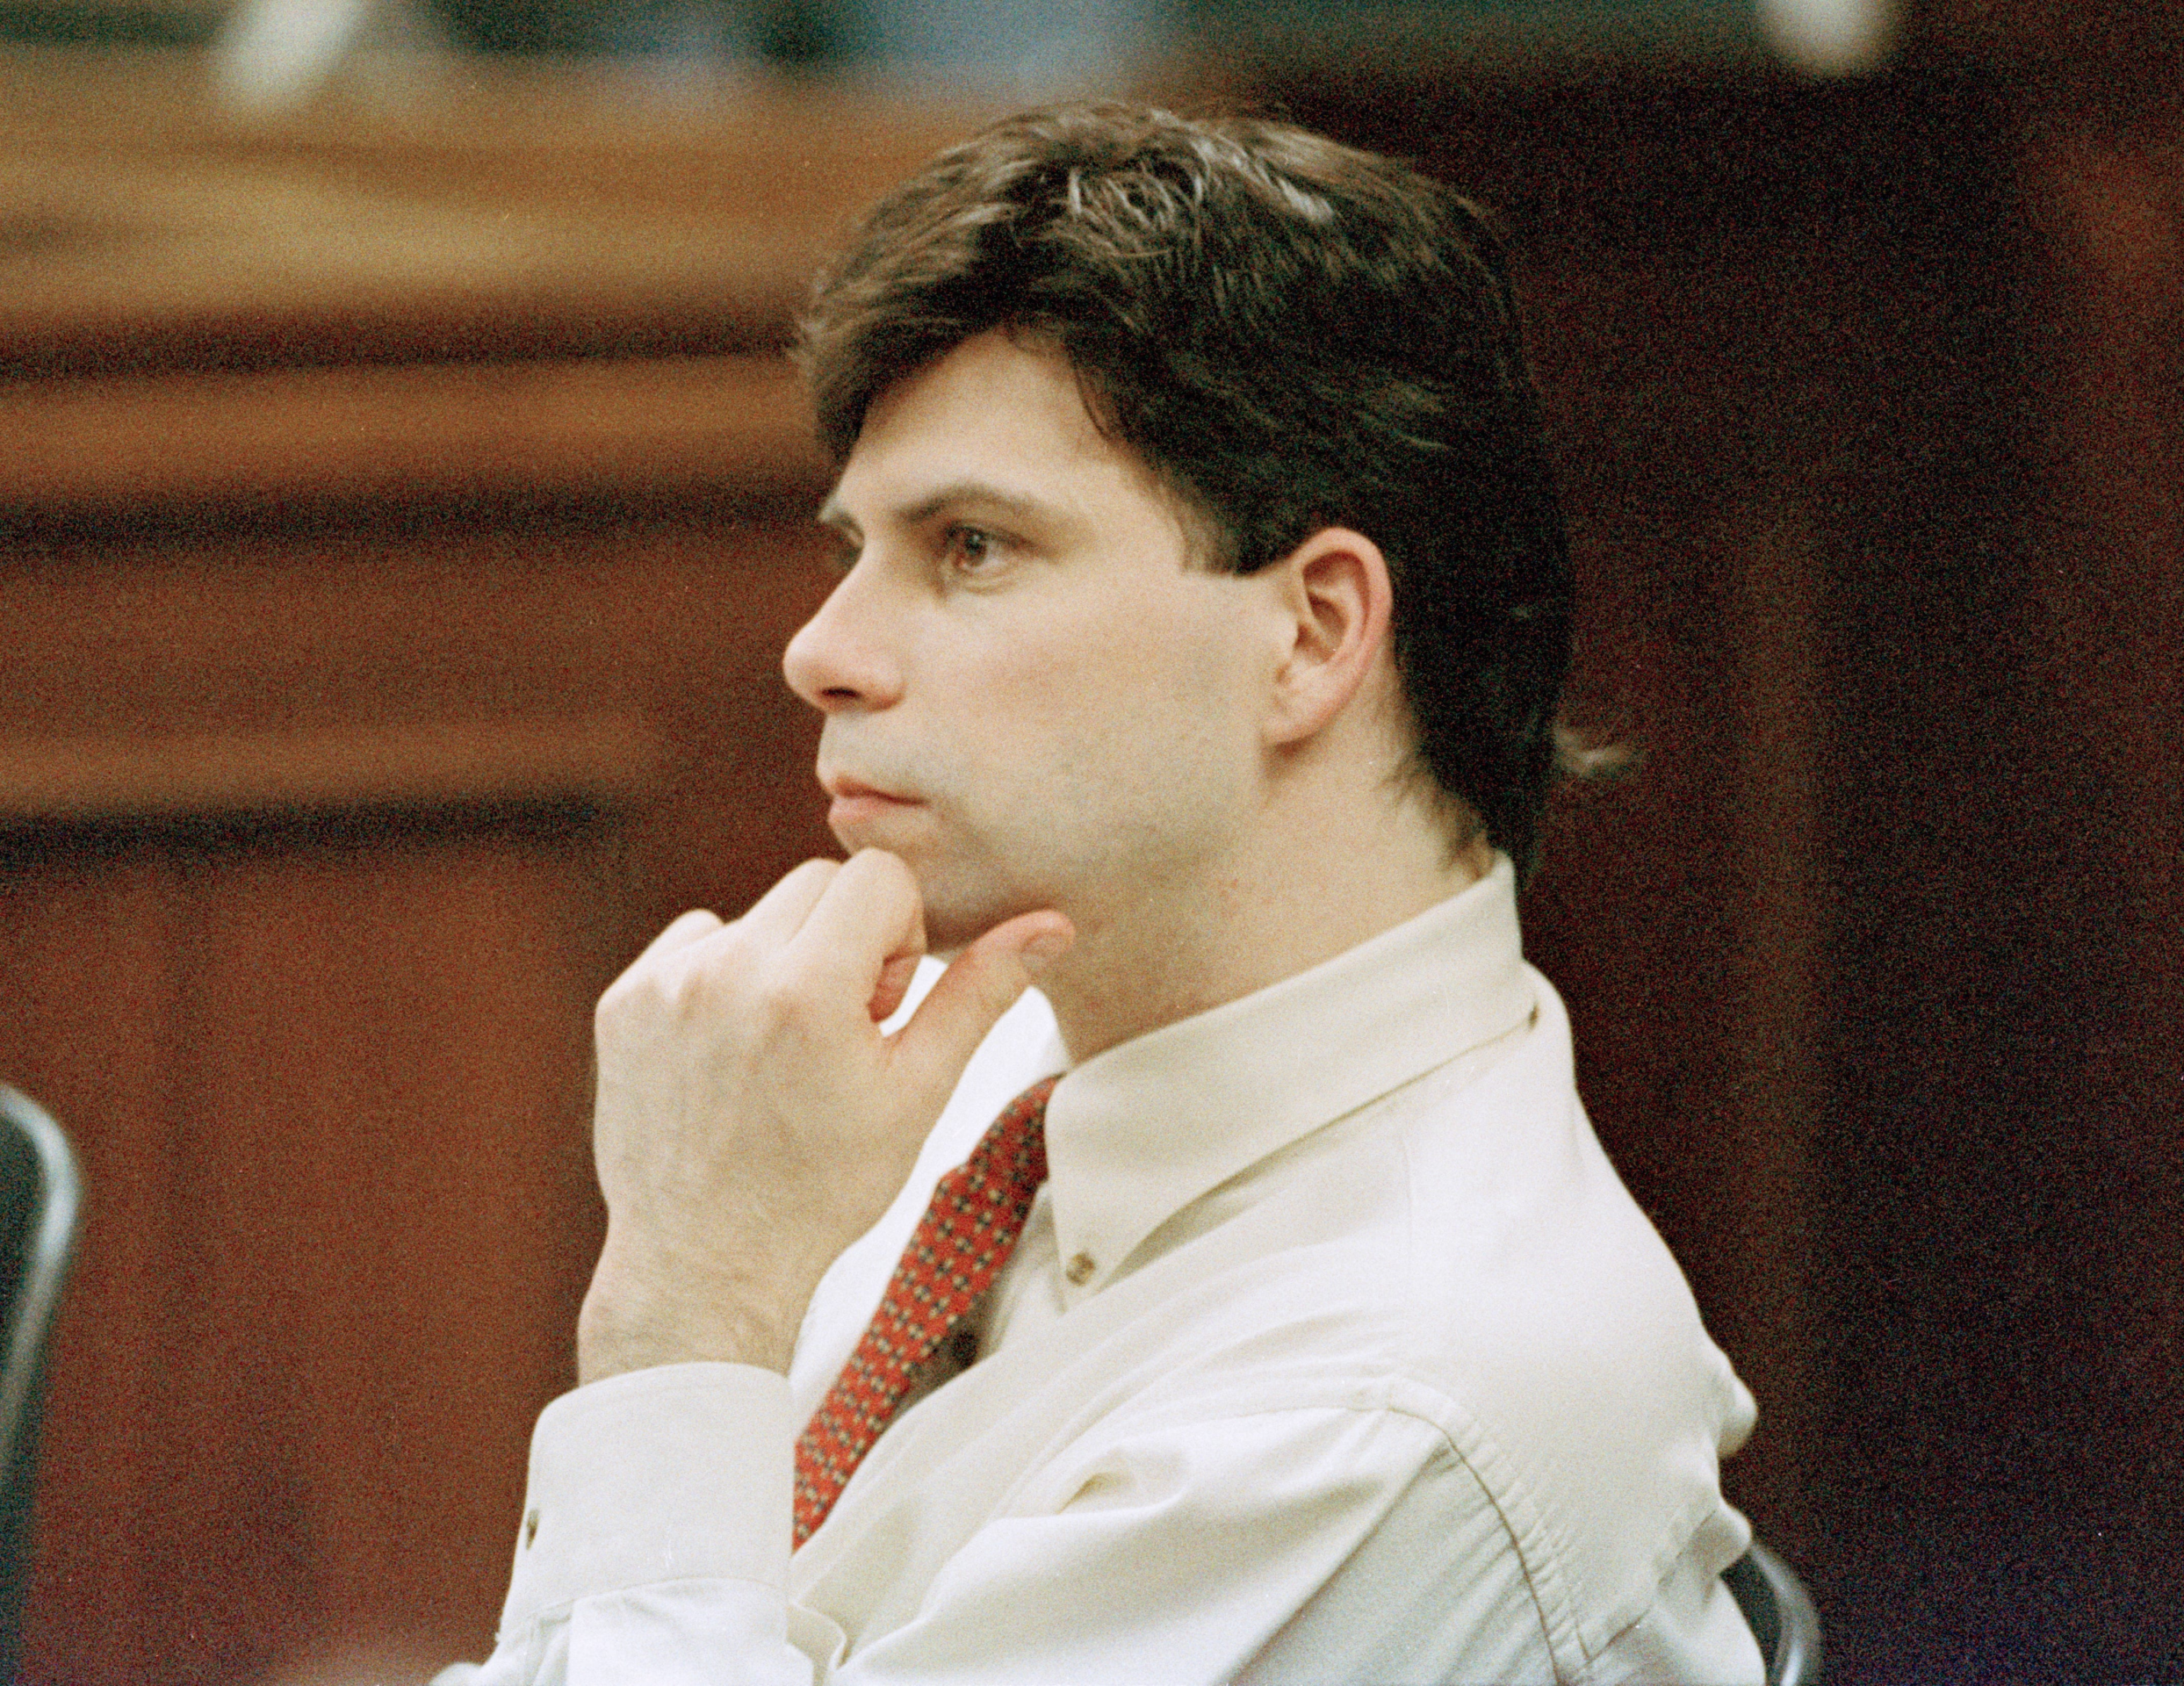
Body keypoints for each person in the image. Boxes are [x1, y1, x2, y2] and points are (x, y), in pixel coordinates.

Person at [443, 102, 1763, 1685]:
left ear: (1312, 634)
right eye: (856, 547)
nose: (823, 651)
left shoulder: (1389, 1406)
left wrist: (688, 1311)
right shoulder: (996, 1061)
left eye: (974, 549)